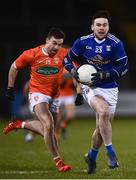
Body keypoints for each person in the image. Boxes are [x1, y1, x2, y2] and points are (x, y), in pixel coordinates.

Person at [63, 10, 128, 174]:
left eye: (104, 25)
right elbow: (67, 59)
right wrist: (73, 71)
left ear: (108, 27)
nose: (101, 27)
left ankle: (91, 155)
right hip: (91, 87)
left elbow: (124, 68)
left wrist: (106, 74)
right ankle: (110, 152)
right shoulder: (83, 42)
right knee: (103, 112)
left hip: (111, 88)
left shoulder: (115, 43)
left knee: (102, 126)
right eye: (98, 24)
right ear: (92, 27)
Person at [3, 27, 71, 172]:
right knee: (48, 123)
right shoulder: (32, 54)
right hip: (38, 93)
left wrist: (79, 91)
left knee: (49, 130)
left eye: (59, 44)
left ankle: (20, 124)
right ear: (47, 40)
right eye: (54, 43)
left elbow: (75, 71)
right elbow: (14, 67)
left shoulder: (64, 54)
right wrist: (10, 88)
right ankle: (58, 162)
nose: (57, 47)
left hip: (55, 95)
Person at [55, 68, 76, 139]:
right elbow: (59, 83)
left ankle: (63, 125)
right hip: (58, 95)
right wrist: (65, 77)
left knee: (70, 116)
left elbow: (74, 84)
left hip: (69, 95)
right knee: (58, 117)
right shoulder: (59, 69)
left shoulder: (73, 67)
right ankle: (56, 134)